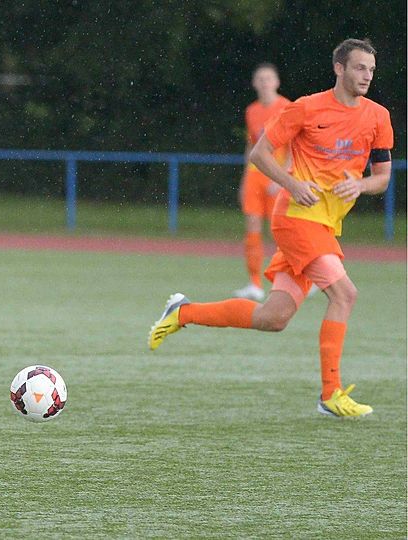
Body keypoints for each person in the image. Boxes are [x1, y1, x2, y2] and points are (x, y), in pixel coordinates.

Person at [148, 38, 393, 418]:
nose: (367, 76)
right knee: (345, 294)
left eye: (371, 70)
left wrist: (360, 184)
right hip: (295, 218)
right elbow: (260, 154)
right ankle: (331, 394)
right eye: (360, 68)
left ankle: (183, 312)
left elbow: (382, 178)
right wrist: (294, 184)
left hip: (326, 225)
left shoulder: (377, 116)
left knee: (273, 318)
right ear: (339, 68)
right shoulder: (306, 108)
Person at [232, 63, 291, 301]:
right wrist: (245, 178)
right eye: (260, 79)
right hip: (256, 175)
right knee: (252, 229)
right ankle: (255, 283)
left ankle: (297, 276)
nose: (265, 83)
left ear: (277, 82)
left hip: (276, 173)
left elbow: (294, 146)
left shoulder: (287, 107)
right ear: (255, 83)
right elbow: (251, 145)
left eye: (269, 78)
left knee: (282, 232)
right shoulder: (252, 111)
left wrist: (283, 177)